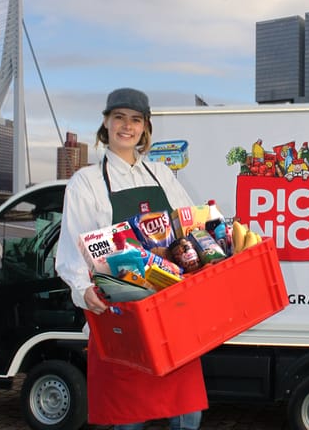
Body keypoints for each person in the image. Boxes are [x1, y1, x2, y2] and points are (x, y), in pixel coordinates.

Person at [55, 88, 207, 430]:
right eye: (119, 117)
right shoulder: (87, 182)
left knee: (187, 415)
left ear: (145, 127)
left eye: (135, 119)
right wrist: (83, 290)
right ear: (106, 123)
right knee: (130, 417)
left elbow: (188, 227)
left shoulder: (161, 175)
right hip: (123, 312)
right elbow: (71, 249)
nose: (127, 126)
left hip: (173, 308)